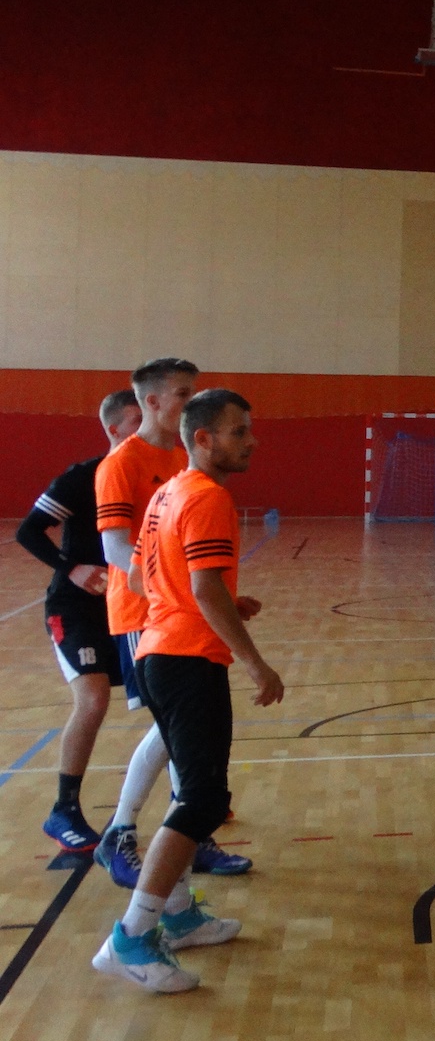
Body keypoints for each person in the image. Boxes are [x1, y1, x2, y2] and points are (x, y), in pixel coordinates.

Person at [92, 389, 282, 994]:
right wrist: (256, 664)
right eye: (238, 431)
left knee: (192, 793)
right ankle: (131, 937)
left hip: (157, 651)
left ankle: (179, 917)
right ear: (203, 439)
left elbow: (145, 575)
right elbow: (201, 588)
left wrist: (220, 600)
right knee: (202, 800)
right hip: (185, 660)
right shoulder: (207, 497)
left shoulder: (167, 492)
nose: (250, 441)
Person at [95, 359, 250, 887]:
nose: (192, 401)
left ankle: (189, 833)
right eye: (184, 393)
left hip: (176, 610)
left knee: (179, 733)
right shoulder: (123, 463)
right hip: (146, 612)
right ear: (153, 402)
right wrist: (180, 593)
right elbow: (117, 549)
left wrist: (213, 597)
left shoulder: (184, 465)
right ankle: (125, 831)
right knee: (173, 730)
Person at [17, 389, 141, 856]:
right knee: (93, 699)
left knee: (165, 697)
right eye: (136, 420)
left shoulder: (156, 478)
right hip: (76, 608)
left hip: (129, 605)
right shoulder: (83, 477)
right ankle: (64, 809)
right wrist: (71, 567)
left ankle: (191, 795)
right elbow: (28, 530)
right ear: (114, 428)